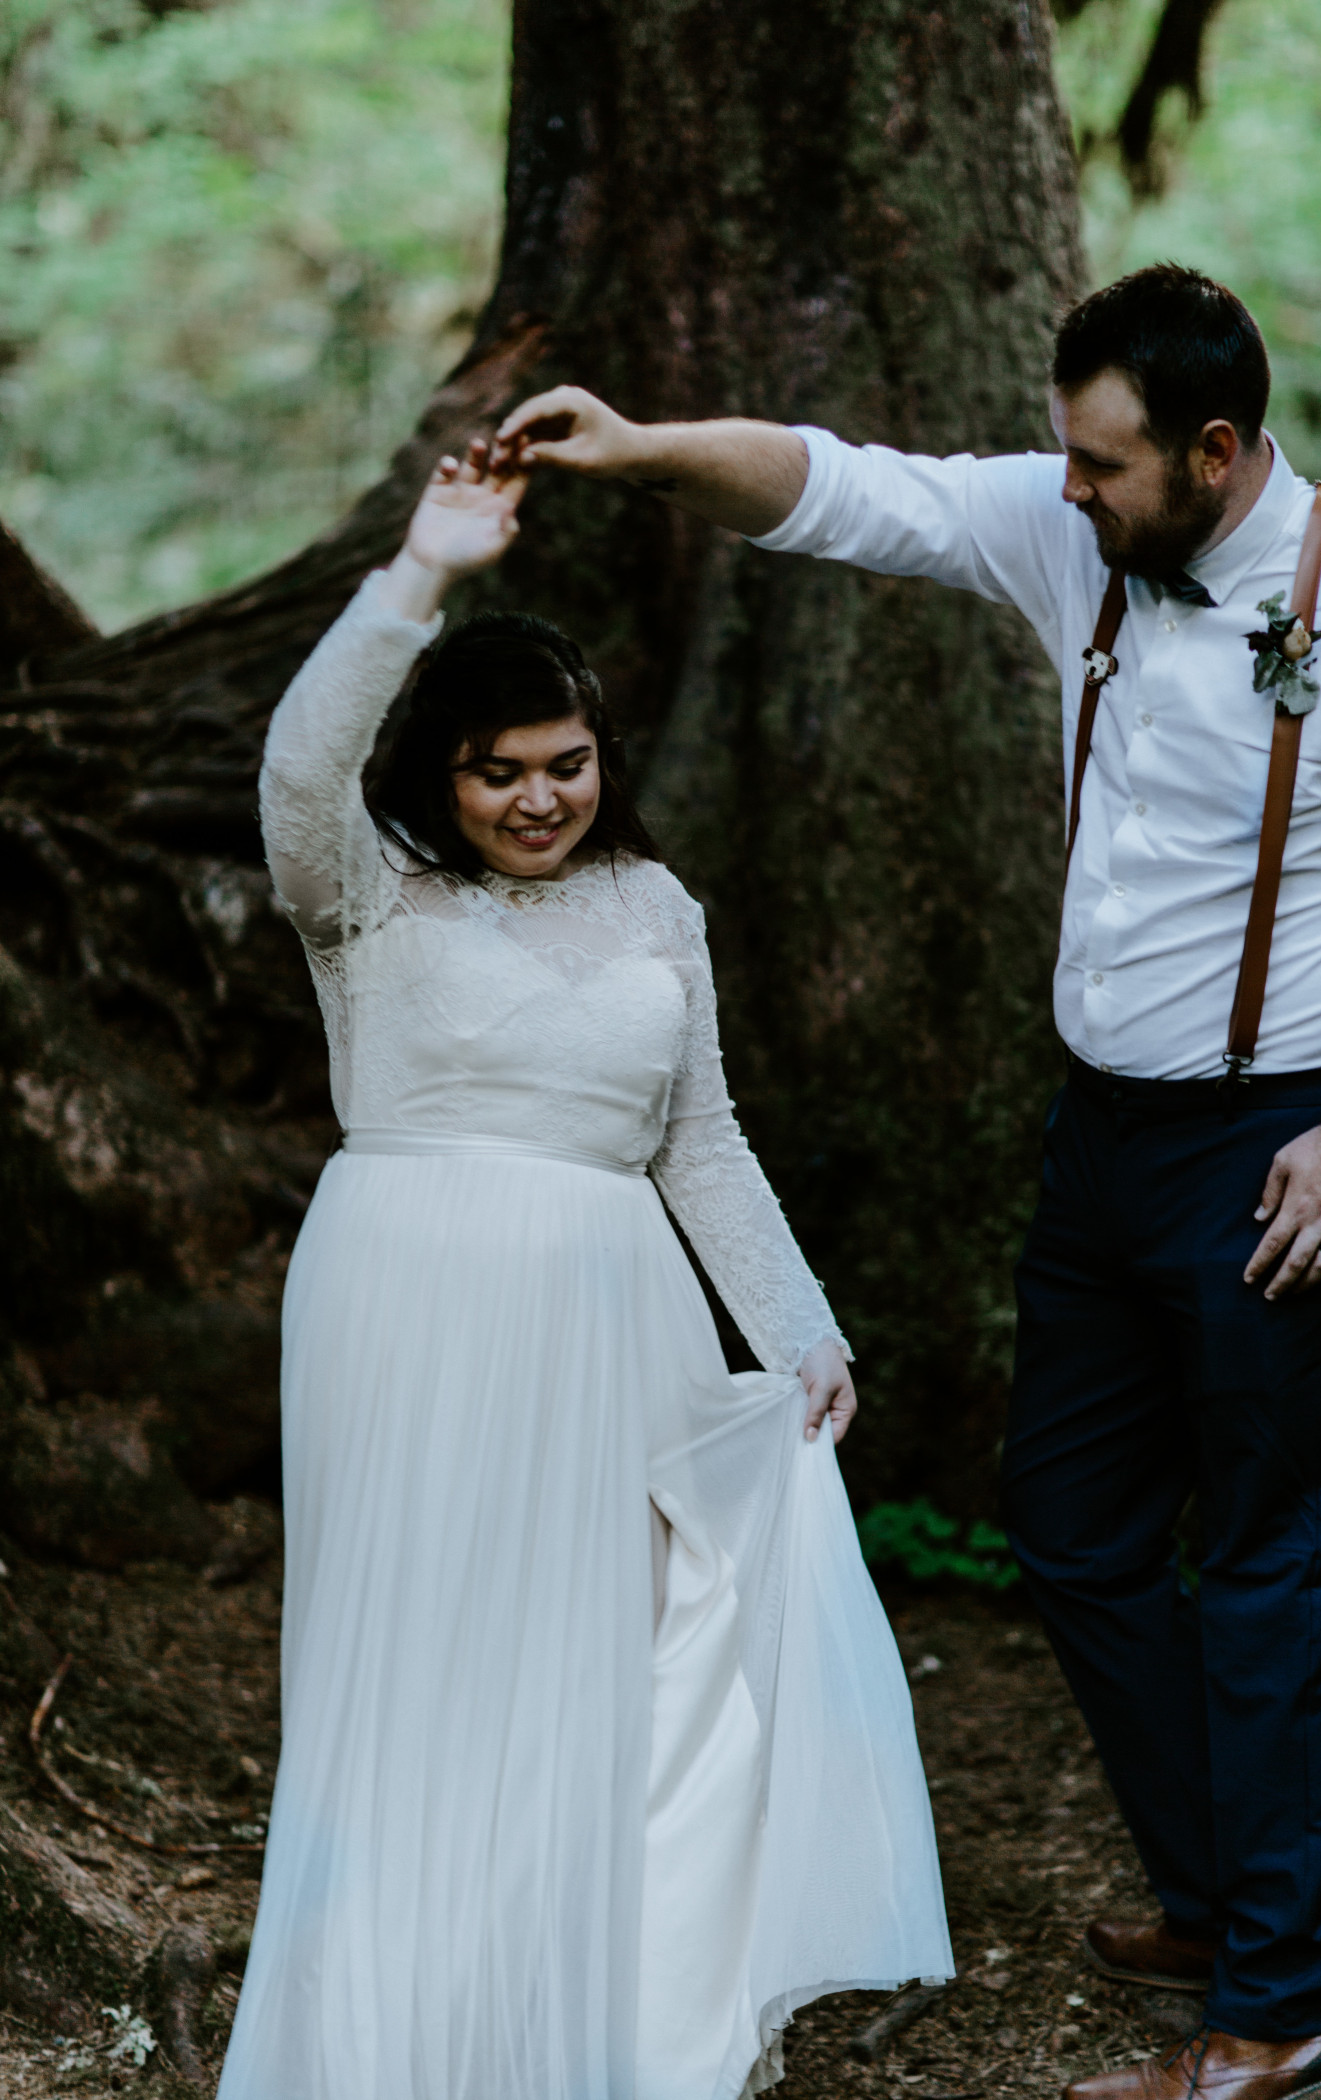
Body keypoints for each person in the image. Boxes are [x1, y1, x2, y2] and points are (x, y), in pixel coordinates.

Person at [491, 262, 1321, 2100]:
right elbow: (844, 486)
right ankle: (1242, 1899)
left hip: (1290, 1142)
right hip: (1101, 1142)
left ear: (1216, 453)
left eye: (1104, 467)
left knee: (1276, 1572)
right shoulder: (1080, 541)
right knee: (1068, 1530)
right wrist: (642, 447)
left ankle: (1293, 2003)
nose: (1066, 491)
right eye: (1065, 461)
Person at [216, 447, 952, 2100]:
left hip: (615, 1309)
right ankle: (396, 2029)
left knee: (628, 1650)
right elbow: (295, 767)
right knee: (422, 1657)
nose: (538, 799)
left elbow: (703, 1141)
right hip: (407, 1303)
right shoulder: (364, 898)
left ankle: (598, 2011)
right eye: (497, 772)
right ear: (444, 775)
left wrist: (800, 1326)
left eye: (564, 765)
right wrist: (418, 572)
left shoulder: (655, 906)